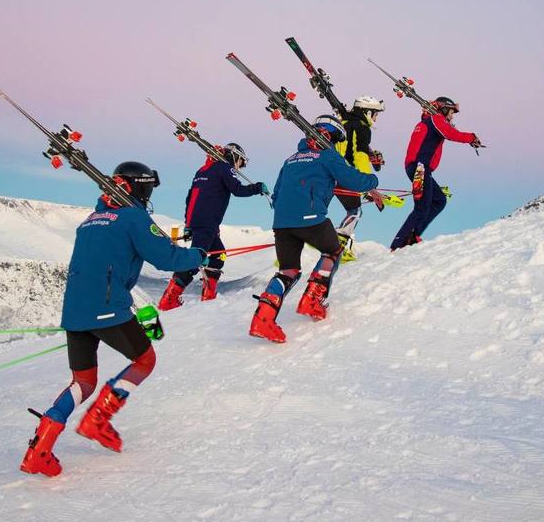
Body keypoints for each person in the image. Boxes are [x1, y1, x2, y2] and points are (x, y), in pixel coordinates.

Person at [20, 161, 206, 477]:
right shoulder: (133, 217)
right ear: (136, 187)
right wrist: (199, 255)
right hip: (106, 309)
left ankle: (40, 448)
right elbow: (166, 258)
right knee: (144, 360)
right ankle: (99, 419)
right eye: (147, 187)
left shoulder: (91, 220)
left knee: (83, 382)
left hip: (75, 312)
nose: (148, 195)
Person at [249, 116, 380, 343]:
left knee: (288, 271)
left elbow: (277, 193)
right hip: (311, 218)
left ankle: (263, 319)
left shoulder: (290, 160)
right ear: (330, 134)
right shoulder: (328, 155)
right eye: (337, 138)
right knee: (333, 252)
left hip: (281, 223)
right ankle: (312, 300)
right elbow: (354, 180)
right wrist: (373, 180)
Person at [157, 143, 267, 310]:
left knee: (219, 256)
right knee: (195, 259)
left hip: (200, 223)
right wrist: (257, 187)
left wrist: (189, 224)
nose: (239, 168)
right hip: (207, 223)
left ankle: (209, 296)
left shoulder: (202, 171)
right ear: (234, 156)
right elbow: (237, 190)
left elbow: (190, 198)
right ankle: (168, 300)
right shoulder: (224, 168)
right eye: (240, 162)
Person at [390, 97, 480, 251]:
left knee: (439, 200)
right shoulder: (436, 120)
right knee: (421, 208)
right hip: (420, 168)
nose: (451, 117)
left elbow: (448, 131)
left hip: (420, 168)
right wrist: (471, 137)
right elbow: (451, 134)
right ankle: (398, 245)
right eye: (451, 112)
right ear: (443, 109)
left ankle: (412, 236)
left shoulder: (426, 122)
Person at [334, 96, 387, 262]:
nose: (376, 118)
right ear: (367, 112)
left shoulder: (342, 123)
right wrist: (368, 184)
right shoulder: (362, 127)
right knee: (355, 211)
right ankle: (338, 250)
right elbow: (360, 156)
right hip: (345, 175)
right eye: (375, 114)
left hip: (329, 173)